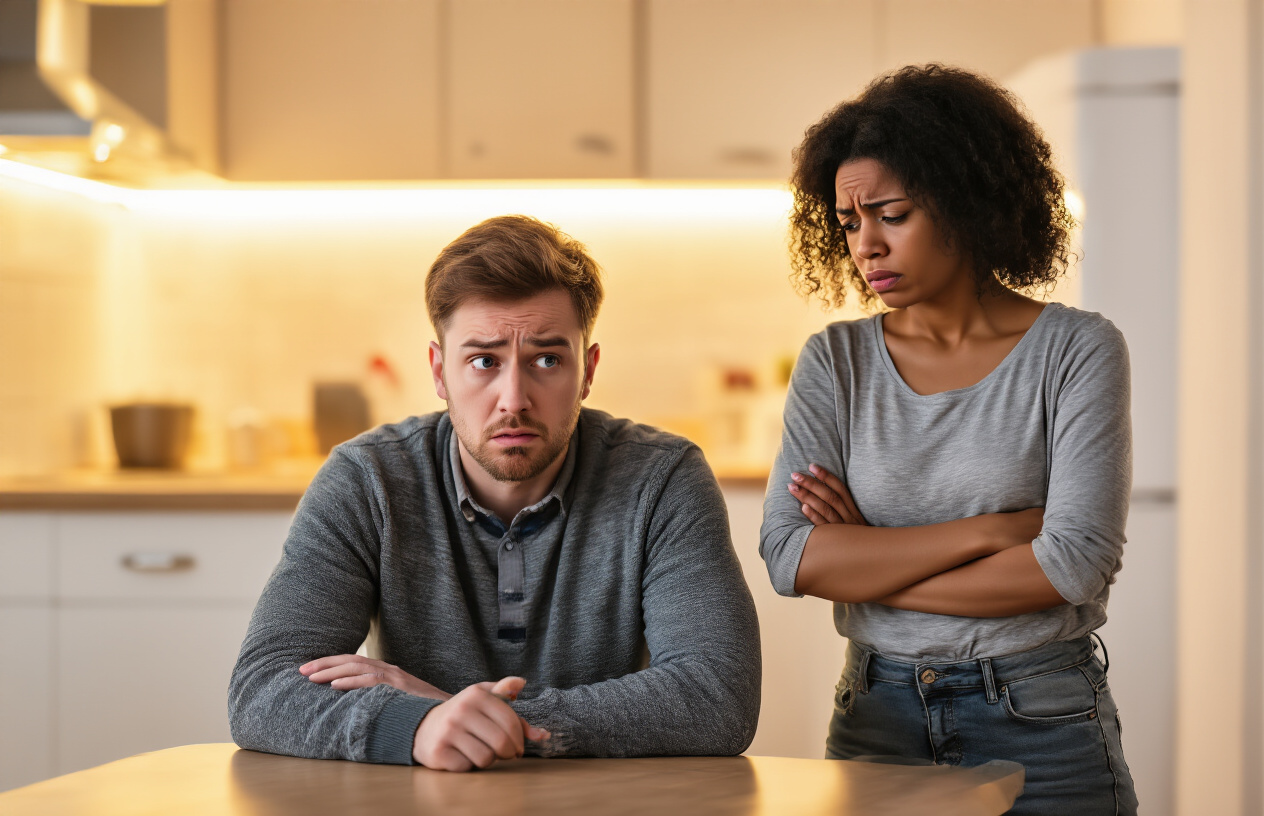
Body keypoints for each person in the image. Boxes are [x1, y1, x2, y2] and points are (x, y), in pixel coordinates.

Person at [230, 214, 761, 771]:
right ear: (439, 371)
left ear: (588, 370)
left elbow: (717, 698)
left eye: (547, 360)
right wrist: (416, 725)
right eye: (484, 360)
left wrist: (454, 711)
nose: (514, 398)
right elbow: (262, 690)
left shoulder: (662, 479)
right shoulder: (367, 480)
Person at [759, 65, 1136, 814]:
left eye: (891, 215)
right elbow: (790, 555)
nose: (866, 245)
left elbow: (1070, 567)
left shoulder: (1078, 350)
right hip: (877, 715)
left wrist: (869, 560)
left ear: (964, 205)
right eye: (848, 222)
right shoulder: (835, 363)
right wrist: (994, 531)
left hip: (1042, 717)